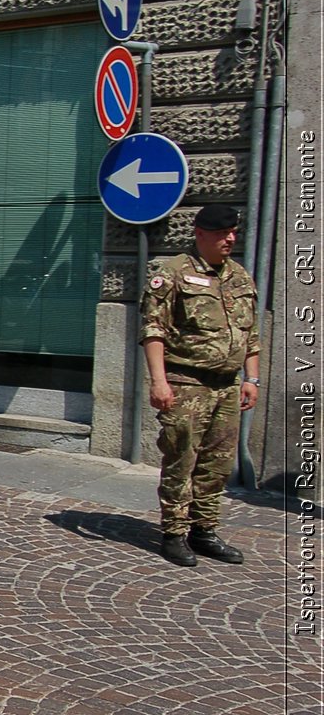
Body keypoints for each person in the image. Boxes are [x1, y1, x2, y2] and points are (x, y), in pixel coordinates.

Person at [140, 202, 261, 567]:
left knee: (217, 464)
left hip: (227, 385)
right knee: (182, 459)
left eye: (234, 233)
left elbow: (250, 333)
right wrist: (159, 381)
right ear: (200, 233)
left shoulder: (238, 275)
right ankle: (174, 533)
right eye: (223, 233)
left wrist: (251, 378)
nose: (230, 239)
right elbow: (153, 330)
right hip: (186, 383)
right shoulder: (172, 272)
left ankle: (204, 530)